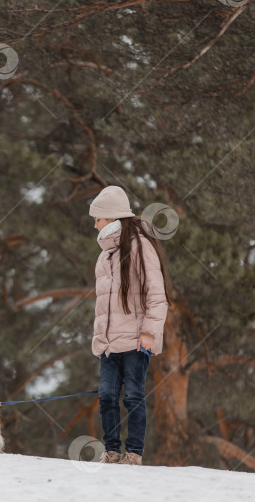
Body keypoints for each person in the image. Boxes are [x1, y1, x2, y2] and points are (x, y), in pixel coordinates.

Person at [89, 185, 172, 465]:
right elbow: (104, 306)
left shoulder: (139, 246)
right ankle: (111, 451)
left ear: (112, 219)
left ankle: (133, 453)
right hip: (109, 344)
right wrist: (101, 339)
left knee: (134, 395)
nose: (95, 223)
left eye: (98, 218)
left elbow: (157, 296)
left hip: (137, 340)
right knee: (107, 395)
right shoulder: (104, 256)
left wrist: (149, 332)